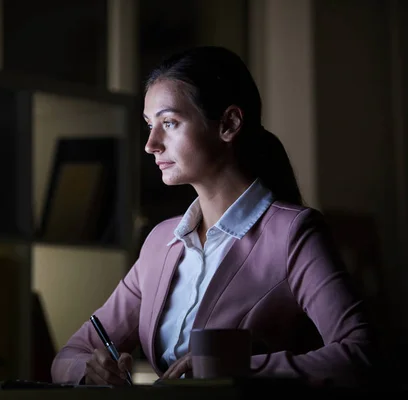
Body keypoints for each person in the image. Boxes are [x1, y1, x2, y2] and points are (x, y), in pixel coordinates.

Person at [50, 46, 374, 387]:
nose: (151, 144)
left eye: (169, 123)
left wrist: (237, 370)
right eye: (149, 125)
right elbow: (69, 356)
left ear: (229, 124)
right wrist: (91, 369)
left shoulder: (293, 232)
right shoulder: (161, 242)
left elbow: (360, 353)